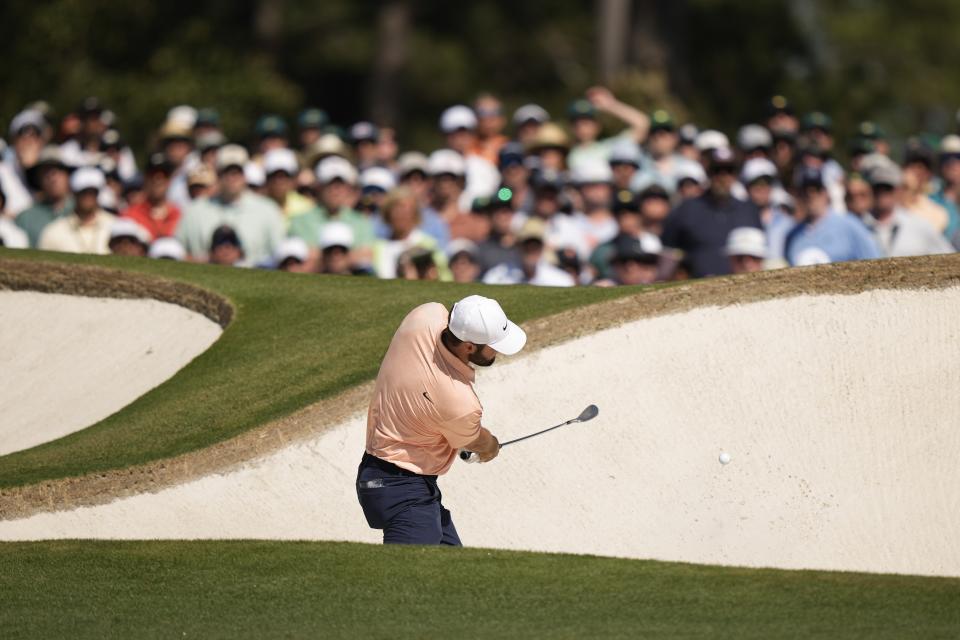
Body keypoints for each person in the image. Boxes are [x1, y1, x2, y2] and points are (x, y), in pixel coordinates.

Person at [357, 294, 526, 545]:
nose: (498, 351)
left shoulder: (424, 315)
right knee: (412, 576)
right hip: (402, 489)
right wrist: (490, 446)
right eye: (493, 345)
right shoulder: (460, 402)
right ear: (468, 346)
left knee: (452, 572)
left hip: (392, 477)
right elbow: (476, 441)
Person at [660, 147, 763, 278]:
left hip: (744, 290)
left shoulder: (749, 210)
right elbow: (668, 254)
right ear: (708, 173)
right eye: (717, 171)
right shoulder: (687, 209)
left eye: (729, 171)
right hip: (696, 291)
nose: (723, 176)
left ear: (736, 174)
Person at [176, 144, 285, 266]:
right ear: (217, 174)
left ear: (245, 175)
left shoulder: (268, 210)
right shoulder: (195, 210)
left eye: (237, 172)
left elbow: (279, 257)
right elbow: (178, 254)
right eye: (227, 171)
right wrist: (208, 260)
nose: (232, 177)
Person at [784, 167, 881, 266]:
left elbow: (876, 264)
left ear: (826, 192)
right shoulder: (792, 236)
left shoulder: (850, 225)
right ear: (798, 194)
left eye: (816, 189)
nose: (810, 195)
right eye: (804, 191)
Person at [866, 163, 953, 258]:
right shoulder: (859, 225)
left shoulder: (918, 225)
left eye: (887, 188)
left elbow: (949, 256)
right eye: (877, 188)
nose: (882, 194)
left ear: (897, 190)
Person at [372, 187, 449, 280]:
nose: (401, 215)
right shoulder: (377, 248)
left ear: (415, 214)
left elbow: (445, 278)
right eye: (396, 209)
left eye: (406, 210)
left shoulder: (429, 245)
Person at [566, 87, 650, 171]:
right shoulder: (565, 155)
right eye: (577, 124)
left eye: (586, 123)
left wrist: (610, 105)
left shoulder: (608, 148)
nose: (582, 128)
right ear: (571, 128)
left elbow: (643, 124)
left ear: (597, 126)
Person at [38, 167, 114, 254]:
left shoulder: (114, 226)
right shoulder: (54, 231)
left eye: (92, 192)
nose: (88, 196)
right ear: (74, 193)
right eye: (83, 192)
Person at [482, 218, 575, 286]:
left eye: (536, 245)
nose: (532, 249)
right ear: (519, 246)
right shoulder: (496, 277)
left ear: (543, 247)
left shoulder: (561, 280)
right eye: (527, 244)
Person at [15, 146, 73, 247]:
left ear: (68, 176)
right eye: (46, 171)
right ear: (38, 178)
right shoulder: (26, 218)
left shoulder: (81, 212)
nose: (52, 177)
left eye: (58, 170)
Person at [120, 153, 181, 241]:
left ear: (170, 180)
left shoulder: (179, 216)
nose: (157, 180)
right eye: (152, 175)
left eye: (163, 175)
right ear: (145, 179)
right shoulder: (130, 216)